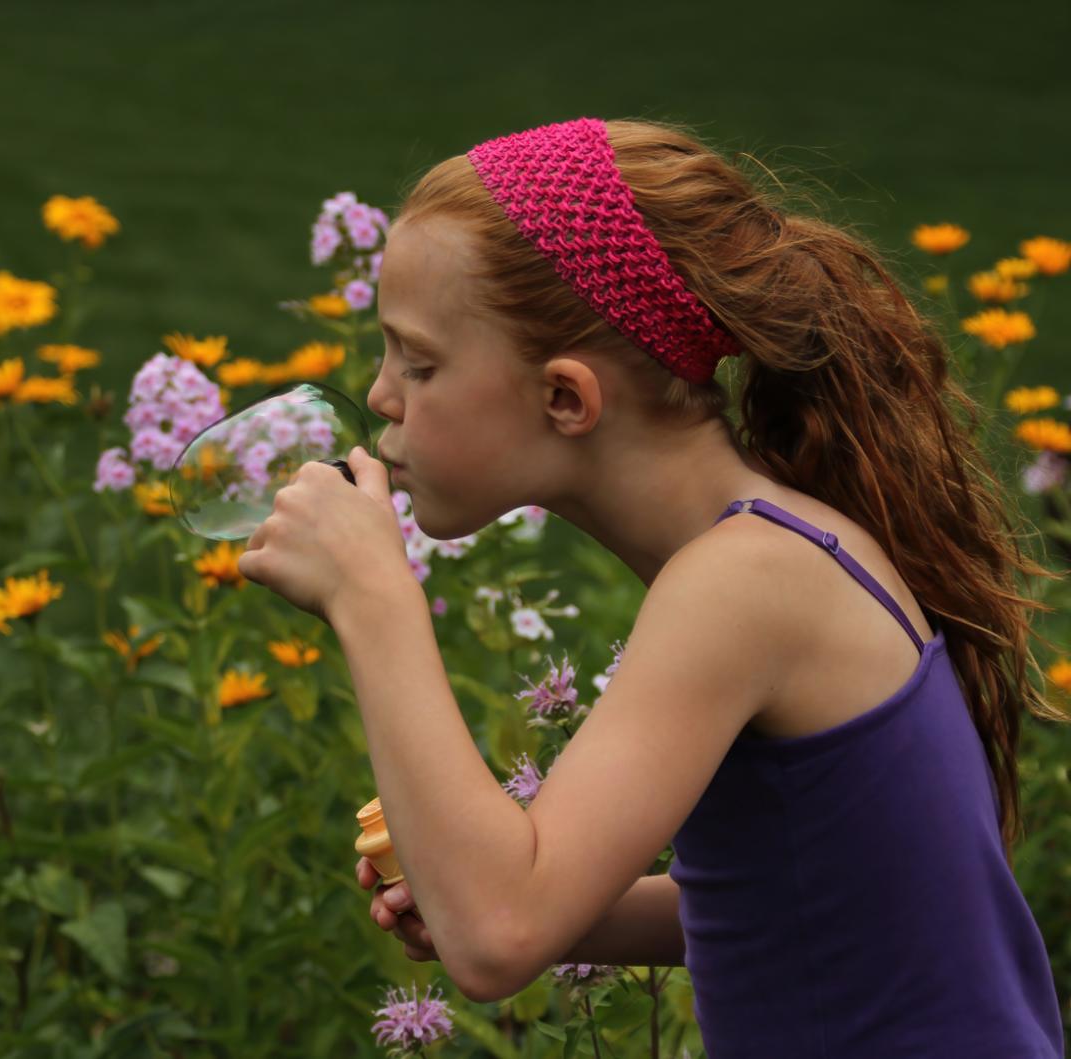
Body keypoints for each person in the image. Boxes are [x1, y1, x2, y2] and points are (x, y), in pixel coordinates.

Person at [237, 117, 1068, 1057]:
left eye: (420, 363)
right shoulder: (778, 548)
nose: (382, 395)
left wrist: (370, 594)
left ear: (565, 399)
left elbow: (495, 935)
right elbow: (796, 895)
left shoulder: (745, 581)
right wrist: (562, 912)